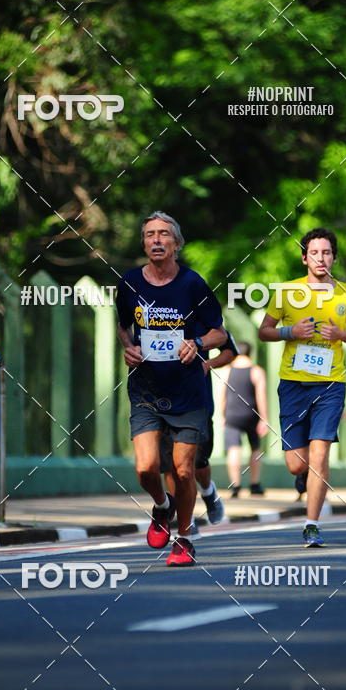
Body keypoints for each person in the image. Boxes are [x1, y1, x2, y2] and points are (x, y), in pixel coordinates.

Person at [116, 211, 226, 567]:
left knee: (183, 470)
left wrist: (196, 341)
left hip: (188, 390)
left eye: (164, 234)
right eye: (150, 234)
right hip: (146, 389)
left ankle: (184, 539)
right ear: (144, 242)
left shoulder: (192, 284)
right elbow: (122, 326)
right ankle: (162, 506)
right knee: (146, 468)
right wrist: (127, 347)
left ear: (177, 244)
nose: (157, 240)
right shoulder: (129, 283)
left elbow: (220, 334)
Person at [258, 227, 346, 547]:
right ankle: (302, 477)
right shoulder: (287, 292)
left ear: (334, 257)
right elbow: (265, 331)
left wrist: (342, 336)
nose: (321, 258)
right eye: (315, 253)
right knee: (298, 462)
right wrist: (290, 331)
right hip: (293, 383)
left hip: (331, 384)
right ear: (305, 257)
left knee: (320, 454)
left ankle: (311, 524)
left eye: (327, 252)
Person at [161, 329, 238, 535]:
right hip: (161, 402)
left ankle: (208, 491)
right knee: (171, 466)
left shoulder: (202, 314)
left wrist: (207, 364)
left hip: (197, 404)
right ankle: (185, 518)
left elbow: (230, 351)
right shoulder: (153, 311)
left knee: (196, 464)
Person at [222, 342, 269, 497]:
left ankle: (235, 486)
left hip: (232, 415)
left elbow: (223, 395)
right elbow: (261, 396)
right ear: (251, 352)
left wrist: (223, 415)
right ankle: (255, 485)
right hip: (251, 415)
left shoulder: (227, 370)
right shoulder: (256, 371)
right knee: (255, 448)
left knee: (234, 449)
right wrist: (264, 418)